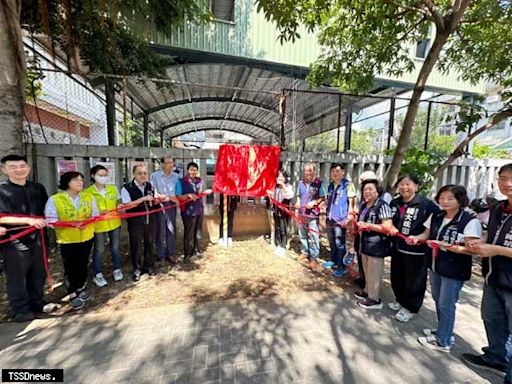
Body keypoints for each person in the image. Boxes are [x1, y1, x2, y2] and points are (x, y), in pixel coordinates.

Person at [407, 185, 481, 352]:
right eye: (442, 198)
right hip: (435, 265)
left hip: (454, 268)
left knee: (447, 304)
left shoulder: (469, 221)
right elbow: (426, 235)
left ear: (460, 200)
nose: (444, 201)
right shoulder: (437, 215)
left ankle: (443, 340)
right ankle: (442, 330)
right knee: (437, 299)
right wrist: (416, 238)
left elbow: (471, 249)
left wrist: (447, 246)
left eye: (450, 198)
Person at [461, 163, 512, 383]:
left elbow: (496, 246)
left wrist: (495, 250)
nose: (507, 183)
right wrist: (476, 243)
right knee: (491, 320)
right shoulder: (498, 209)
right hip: (493, 277)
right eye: (502, 178)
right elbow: (491, 237)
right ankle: (495, 357)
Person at [0, 155, 52, 322]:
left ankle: (38, 303)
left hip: (38, 238)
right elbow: (1, 217)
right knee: (17, 276)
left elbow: (47, 211)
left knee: (38, 273)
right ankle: (21, 310)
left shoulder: (37, 188)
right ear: (4, 170)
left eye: (22, 166)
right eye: (13, 166)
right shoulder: (1, 190)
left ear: (28, 168)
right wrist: (29, 220)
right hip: (14, 241)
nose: (19, 170)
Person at [388, 174, 439, 323]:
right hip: (398, 246)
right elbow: (389, 220)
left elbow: (434, 224)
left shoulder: (426, 205)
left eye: (408, 184)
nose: (404, 187)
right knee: (397, 276)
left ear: (416, 186)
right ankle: (400, 299)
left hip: (417, 250)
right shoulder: (395, 203)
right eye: (401, 184)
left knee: (414, 280)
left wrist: (422, 236)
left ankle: (411, 307)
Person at [45, 171, 99, 311]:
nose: (80, 182)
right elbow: (50, 220)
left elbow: (95, 214)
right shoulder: (55, 199)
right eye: (76, 180)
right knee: (70, 266)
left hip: (86, 237)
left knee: (83, 263)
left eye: (81, 180)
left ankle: (81, 287)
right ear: (67, 182)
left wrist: (87, 222)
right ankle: (72, 292)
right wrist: (70, 224)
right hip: (67, 239)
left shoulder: (89, 197)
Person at [353, 179, 393, 310]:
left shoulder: (382, 205)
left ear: (378, 191)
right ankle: (366, 291)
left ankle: (374, 299)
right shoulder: (365, 205)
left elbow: (387, 227)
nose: (367, 192)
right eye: (365, 189)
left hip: (377, 246)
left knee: (375, 272)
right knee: (367, 270)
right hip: (364, 244)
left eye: (370, 189)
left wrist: (368, 225)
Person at [84, 165, 123, 287]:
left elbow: (118, 202)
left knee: (115, 248)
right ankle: (98, 274)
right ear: (93, 176)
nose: (103, 178)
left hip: (114, 223)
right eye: (100, 175)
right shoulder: (88, 193)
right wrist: (98, 213)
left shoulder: (112, 188)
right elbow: (86, 210)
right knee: (99, 250)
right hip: (98, 226)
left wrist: (120, 206)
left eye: (105, 175)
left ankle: (117, 269)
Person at [121, 164, 157, 282]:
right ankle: (137, 268)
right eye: (139, 173)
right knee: (136, 245)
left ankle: (149, 266)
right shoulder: (126, 187)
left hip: (150, 219)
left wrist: (157, 200)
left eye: (145, 173)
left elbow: (154, 198)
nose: (143, 175)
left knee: (150, 243)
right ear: (134, 174)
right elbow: (127, 205)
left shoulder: (150, 186)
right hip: (135, 222)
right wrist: (143, 199)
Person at [323, 163, 356, 277]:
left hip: (340, 219)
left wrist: (349, 216)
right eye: (333, 171)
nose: (335, 174)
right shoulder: (331, 186)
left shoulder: (348, 185)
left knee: (340, 243)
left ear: (343, 172)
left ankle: (342, 266)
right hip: (330, 217)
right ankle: (333, 260)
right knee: (331, 241)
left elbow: (351, 202)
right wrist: (322, 206)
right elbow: (328, 200)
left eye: (337, 171)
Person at [178, 162, 212, 263]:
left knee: (198, 231)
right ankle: (187, 253)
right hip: (188, 211)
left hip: (198, 209)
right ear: (188, 170)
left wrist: (205, 192)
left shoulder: (200, 181)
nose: (193, 172)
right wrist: (188, 195)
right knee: (188, 233)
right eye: (191, 169)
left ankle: (197, 251)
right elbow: (179, 196)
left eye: (195, 170)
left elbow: (200, 194)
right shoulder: (181, 181)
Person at [150, 156, 181, 264]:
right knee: (160, 230)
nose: (170, 165)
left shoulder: (176, 176)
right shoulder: (155, 176)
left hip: (171, 206)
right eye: (167, 163)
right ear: (162, 164)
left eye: (171, 162)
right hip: (159, 206)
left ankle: (170, 253)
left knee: (171, 229)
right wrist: (161, 197)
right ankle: (160, 255)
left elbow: (178, 192)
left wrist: (175, 197)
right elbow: (153, 191)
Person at [295, 163, 325, 266]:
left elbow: (323, 197)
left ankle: (314, 258)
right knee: (302, 234)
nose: (307, 173)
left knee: (313, 236)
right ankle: (305, 252)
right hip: (302, 213)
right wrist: (298, 202)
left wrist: (314, 203)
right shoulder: (300, 183)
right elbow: (298, 195)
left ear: (314, 172)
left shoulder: (319, 183)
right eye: (306, 170)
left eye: (310, 170)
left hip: (313, 215)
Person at [267, 169, 295, 257]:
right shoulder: (275, 187)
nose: (279, 178)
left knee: (283, 228)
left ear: (285, 178)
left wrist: (283, 185)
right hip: (276, 210)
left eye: (281, 176)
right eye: (278, 176)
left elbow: (289, 195)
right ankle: (279, 244)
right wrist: (269, 194)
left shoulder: (288, 186)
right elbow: (273, 196)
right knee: (278, 227)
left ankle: (283, 245)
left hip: (284, 211)